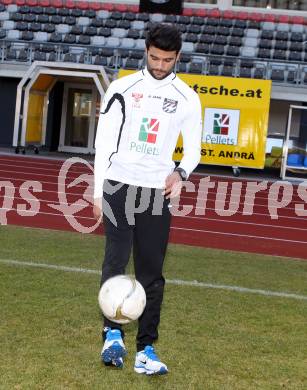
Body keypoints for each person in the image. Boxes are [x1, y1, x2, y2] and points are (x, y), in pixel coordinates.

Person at [93, 23, 202, 375]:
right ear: (146, 50)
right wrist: (97, 190)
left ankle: (146, 350)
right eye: (154, 57)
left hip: (157, 192)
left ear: (177, 57)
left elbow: (194, 149)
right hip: (118, 184)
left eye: (166, 59)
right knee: (116, 259)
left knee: (151, 273)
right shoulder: (122, 87)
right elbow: (104, 142)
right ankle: (112, 335)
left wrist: (180, 173)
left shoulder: (187, 98)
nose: (159, 65)